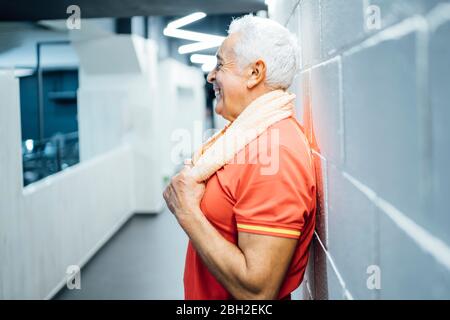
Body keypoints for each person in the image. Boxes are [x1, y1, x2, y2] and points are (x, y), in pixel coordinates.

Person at [163, 14, 316, 300]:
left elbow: (257, 292)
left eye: (220, 64)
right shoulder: (245, 137)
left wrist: (187, 211)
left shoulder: (275, 154)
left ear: (255, 73)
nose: (211, 75)